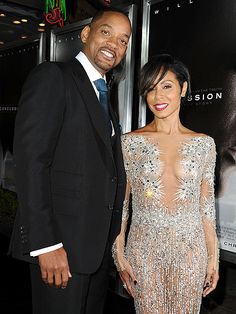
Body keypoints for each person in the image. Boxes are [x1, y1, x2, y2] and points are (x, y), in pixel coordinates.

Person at [9, 8, 131, 314]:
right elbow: (31, 163)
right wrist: (46, 245)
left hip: (94, 251)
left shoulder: (103, 93)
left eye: (123, 40)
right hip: (60, 249)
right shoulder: (54, 77)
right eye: (106, 32)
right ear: (86, 34)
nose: (114, 45)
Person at [112, 54, 219, 313]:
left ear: (183, 88)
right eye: (150, 89)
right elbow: (121, 207)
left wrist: (213, 259)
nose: (158, 96)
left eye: (166, 86)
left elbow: (206, 210)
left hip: (191, 252)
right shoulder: (128, 143)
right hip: (144, 251)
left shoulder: (204, 144)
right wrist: (119, 255)